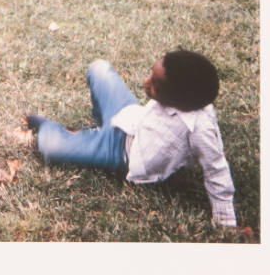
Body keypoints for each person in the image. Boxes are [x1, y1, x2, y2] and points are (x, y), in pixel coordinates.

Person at [25, 51, 237, 227]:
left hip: (121, 153)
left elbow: (216, 170)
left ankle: (60, 131)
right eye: (150, 76)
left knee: (49, 145)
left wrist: (226, 222)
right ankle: (97, 130)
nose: (145, 82)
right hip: (129, 118)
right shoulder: (182, 91)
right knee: (99, 68)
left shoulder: (200, 128)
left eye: (154, 84)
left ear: (177, 100)